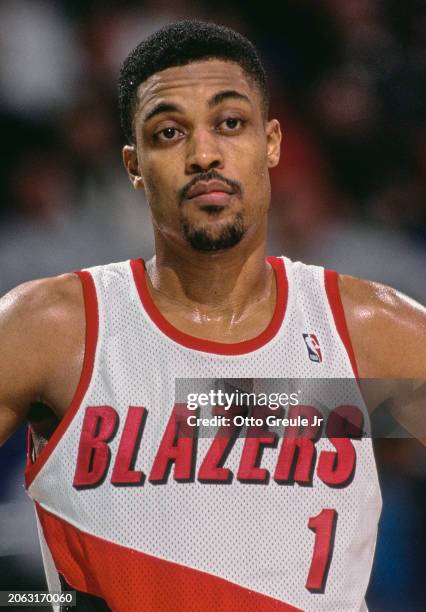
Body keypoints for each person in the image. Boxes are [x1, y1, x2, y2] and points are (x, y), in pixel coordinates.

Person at [0, 20, 424, 612]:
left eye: (230, 123)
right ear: (134, 164)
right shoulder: (51, 328)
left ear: (271, 142)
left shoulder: (369, 331)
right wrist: (28, 602)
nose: (204, 154)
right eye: (169, 132)